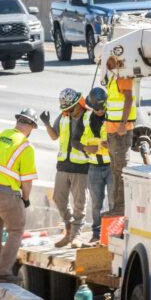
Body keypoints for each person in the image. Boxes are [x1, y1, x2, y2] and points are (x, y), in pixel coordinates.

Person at [0, 108, 39, 283]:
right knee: (16, 229)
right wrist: (25, 199)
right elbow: (26, 181)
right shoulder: (26, 146)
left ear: (18, 121)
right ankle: (3, 272)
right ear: (31, 126)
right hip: (5, 192)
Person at [41, 88, 88, 247]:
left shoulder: (88, 117)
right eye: (66, 109)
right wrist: (47, 124)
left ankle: (76, 236)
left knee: (79, 204)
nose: (68, 112)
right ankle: (68, 230)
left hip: (81, 167)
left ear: (79, 103)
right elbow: (54, 136)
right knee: (58, 199)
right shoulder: (63, 116)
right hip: (63, 166)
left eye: (71, 108)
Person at [103, 54, 136, 216]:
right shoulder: (113, 78)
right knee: (116, 170)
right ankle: (117, 206)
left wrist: (123, 124)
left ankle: (121, 207)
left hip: (120, 131)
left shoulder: (122, 77)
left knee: (121, 170)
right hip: (113, 131)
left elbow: (128, 99)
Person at [80, 86, 112, 243]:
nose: (99, 110)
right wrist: (86, 148)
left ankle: (113, 234)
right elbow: (78, 140)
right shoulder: (86, 118)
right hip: (94, 167)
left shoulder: (112, 116)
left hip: (111, 166)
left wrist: (111, 145)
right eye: (96, 108)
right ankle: (96, 233)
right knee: (96, 204)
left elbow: (124, 138)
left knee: (113, 202)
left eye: (101, 107)